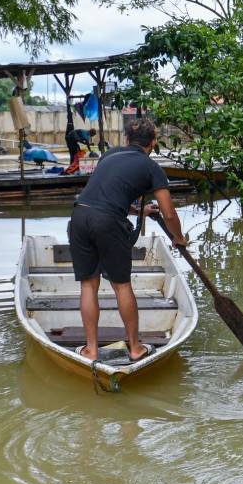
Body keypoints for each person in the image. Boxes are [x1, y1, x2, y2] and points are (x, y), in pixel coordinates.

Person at [68, 118, 186, 363]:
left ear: (125, 140)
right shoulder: (152, 168)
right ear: (153, 143)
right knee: (121, 285)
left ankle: (91, 350)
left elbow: (106, 196)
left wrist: (138, 211)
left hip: (79, 215)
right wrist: (179, 238)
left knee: (88, 285)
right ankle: (135, 348)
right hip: (107, 222)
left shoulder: (108, 155)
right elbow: (170, 213)